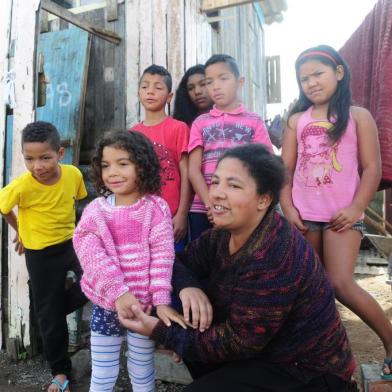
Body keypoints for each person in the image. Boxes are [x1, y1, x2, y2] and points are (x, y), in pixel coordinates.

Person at [118, 144, 355, 391]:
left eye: (234, 185)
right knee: (191, 323)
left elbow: (240, 341)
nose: (217, 193)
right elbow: (176, 262)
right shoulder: (221, 236)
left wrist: (163, 333)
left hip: (307, 370)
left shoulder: (276, 253)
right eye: (216, 182)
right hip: (262, 355)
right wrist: (188, 286)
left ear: (264, 199)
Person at [280, 44, 392, 379]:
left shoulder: (358, 116)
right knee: (311, 290)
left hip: (342, 216)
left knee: (341, 283)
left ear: (339, 73)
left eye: (318, 74)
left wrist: (357, 207)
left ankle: (390, 342)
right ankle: (323, 355)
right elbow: (285, 170)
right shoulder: (296, 120)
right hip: (304, 215)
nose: (311, 82)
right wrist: (287, 207)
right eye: (304, 79)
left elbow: (372, 168)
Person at [73, 131, 186, 392]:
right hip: (106, 305)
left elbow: (163, 256)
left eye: (122, 163)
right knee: (102, 373)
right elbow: (90, 255)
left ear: (142, 165)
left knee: (142, 368)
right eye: (105, 165)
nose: (112, 172)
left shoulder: (156, 209)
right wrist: (119, 293)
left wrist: (160, 301)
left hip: (144, 308)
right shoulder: (95, 212)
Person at [0, 121, 88, 392]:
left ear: (60, 154)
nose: (37, 166)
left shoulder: (73, 174)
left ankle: (49, 311)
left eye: (45, 158)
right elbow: (4, 208)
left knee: (95, 282)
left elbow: (78, 203)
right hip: (40, 255)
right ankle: (60, 373)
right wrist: (21, 232)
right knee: (49, 315)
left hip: (72, 244)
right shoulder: (23, 185)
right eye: (30, 159)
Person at [188, 54, 273, 240]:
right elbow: (193, 170)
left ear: (240, 82)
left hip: (240, 207)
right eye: (209, 82)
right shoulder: (200, 123)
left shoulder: (254, 121)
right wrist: (210, 204)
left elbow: (265, 165)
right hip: (203, 209)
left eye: (223, 78)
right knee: (204, 262)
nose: (215, 86)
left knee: (240, 261)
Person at [132, 65, 191, 252]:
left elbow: (186, 173)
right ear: (138, 93)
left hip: (171, 217)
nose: (150, 91)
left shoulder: (178, 128)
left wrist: (182, 214)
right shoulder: (132, 134)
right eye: (145, 87)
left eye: (158, 87)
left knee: (173, 269)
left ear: (169, 97)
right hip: (140, 217)